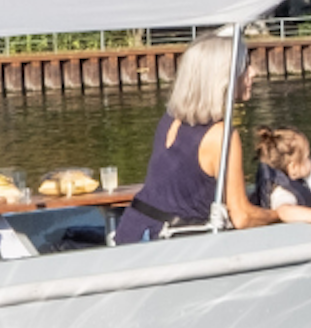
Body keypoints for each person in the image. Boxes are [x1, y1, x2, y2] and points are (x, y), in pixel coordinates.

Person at [113, 39, 273, 244]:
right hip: (168, 242)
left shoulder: (172, 118)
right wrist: (280, 215)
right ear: (223, 78)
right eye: (244, 66)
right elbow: (242, 217)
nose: (253, 72)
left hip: (132, 229)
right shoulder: (221, 135)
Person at [247, 126, 311, 240]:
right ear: (293, 168)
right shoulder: (282, 192)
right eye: (307, 157)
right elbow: (284, 211)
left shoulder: (293, 182)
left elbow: (300, 200)